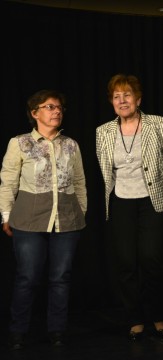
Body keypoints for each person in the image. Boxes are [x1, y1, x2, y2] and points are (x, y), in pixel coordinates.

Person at [96, 74, 163, 341]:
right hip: (120, 199)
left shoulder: (158, 124)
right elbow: (104, 168)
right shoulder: (103, 131)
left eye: (127, 95)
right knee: (126, 261)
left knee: (150, 258)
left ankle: (157, 315)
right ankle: (134, 318)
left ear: (138, 99)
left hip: (152, 199)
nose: (122, 101)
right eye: (116, 97)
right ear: (112, 102)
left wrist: (159, 181)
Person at [0, 89, 87, 350]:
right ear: (34, 113)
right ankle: (18, 331)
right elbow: (7, 182)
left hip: (67, 219)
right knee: (28, 276)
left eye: (59, 107)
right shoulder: (20, 143)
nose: (56, 111)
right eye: (49, 107)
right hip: (28, 219)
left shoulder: (71, 144)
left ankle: (57, 330)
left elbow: (80, 181)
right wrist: (6, 215)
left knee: (61, 277)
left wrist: (81, 211)